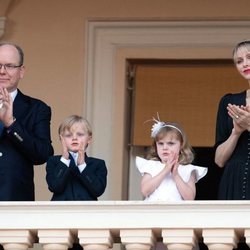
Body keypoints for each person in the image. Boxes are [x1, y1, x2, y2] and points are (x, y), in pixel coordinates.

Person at [0, 42, 54, 201]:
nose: (2, 71)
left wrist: (12, 124)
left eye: (9, 66)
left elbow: (43, 154)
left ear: (21, 71)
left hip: (15, 203)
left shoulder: (37, 108)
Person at [136, 118, 207, 201]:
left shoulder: (188, 169)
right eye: (160, 144)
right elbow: (145, 191)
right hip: (154, 212)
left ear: (181, 146)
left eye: (171, 143)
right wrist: (165, 171)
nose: (165, 148)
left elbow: (190, 197)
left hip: (177, 213)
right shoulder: (151, 165)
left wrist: (176, 175)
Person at [215, 40, 250, 200]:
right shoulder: (229, 102)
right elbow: (219, 161)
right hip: (233, 182)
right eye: (239, 61)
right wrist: (236, 132)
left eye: (249, 57)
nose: (245, 64)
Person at [46, 114, 107, 201]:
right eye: (68, 135)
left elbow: (97, 190)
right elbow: (54, 187)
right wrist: (64, 160)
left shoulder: (98, 164)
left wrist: (82, 165)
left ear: (89, 139)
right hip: (60, 212)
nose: (74, 138)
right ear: (61, 139)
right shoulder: (54, 161)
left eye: (80, 134)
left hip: (87, 213)